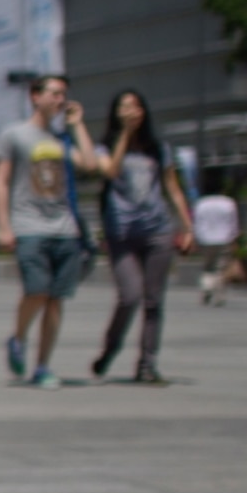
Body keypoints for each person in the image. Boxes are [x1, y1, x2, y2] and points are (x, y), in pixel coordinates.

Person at [0, 73, 95, 387]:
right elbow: (1, 181)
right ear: (35, 96)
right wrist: (4, 226)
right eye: (54, 93)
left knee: (56, 299)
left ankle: (43, 366)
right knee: (36, 291)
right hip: (29, 225)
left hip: (64, 227)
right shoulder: (15, 135)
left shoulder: (61, 140)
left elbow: (90, 164)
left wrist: (78, 126)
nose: (60, 100)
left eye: (64, 94)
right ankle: (18, 338)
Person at [87, 88, 193, 382]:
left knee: (154, 300)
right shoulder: (103, 148)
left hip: (157, 230)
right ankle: (111, 348)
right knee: (130, 295)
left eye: (135, 106)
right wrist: (124, 134)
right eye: (124, 107)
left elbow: (172, 188)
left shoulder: (158, 149)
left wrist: (187, 226)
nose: (130, 111)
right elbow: (111, 172)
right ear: (116, 114)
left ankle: (147, 364)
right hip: (121, 233)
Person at [191, 187, 241, 303]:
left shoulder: (201, 203)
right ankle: (219, 293)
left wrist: (195, 238)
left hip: (205, 239)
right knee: (220, 267)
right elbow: (233, 223)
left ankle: (206, 287)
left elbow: (197, 222)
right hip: (224, 238)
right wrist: (234, 238)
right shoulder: (228, 203)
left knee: (207, 266)